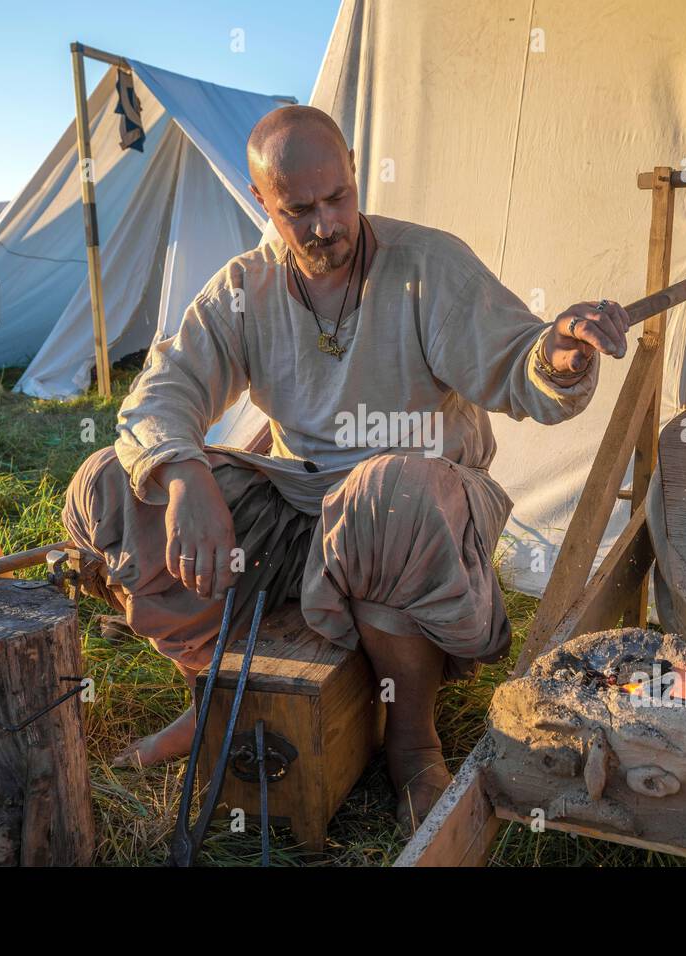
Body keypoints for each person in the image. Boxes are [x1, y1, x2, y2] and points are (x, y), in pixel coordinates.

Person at [63, 105, 631, 831]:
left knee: (385, 497)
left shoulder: (427, 265)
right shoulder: (245, 287)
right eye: (299, 210)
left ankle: (413, 741)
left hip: (421, 502)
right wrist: (183, 474)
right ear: (262, 199)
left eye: (337, 199)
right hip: (299, 501)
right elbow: (162, 392)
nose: (325, 224)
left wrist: (557, 354)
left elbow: (518, 363)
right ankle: (215, 703)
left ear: (355, 173)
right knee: (109, 488)